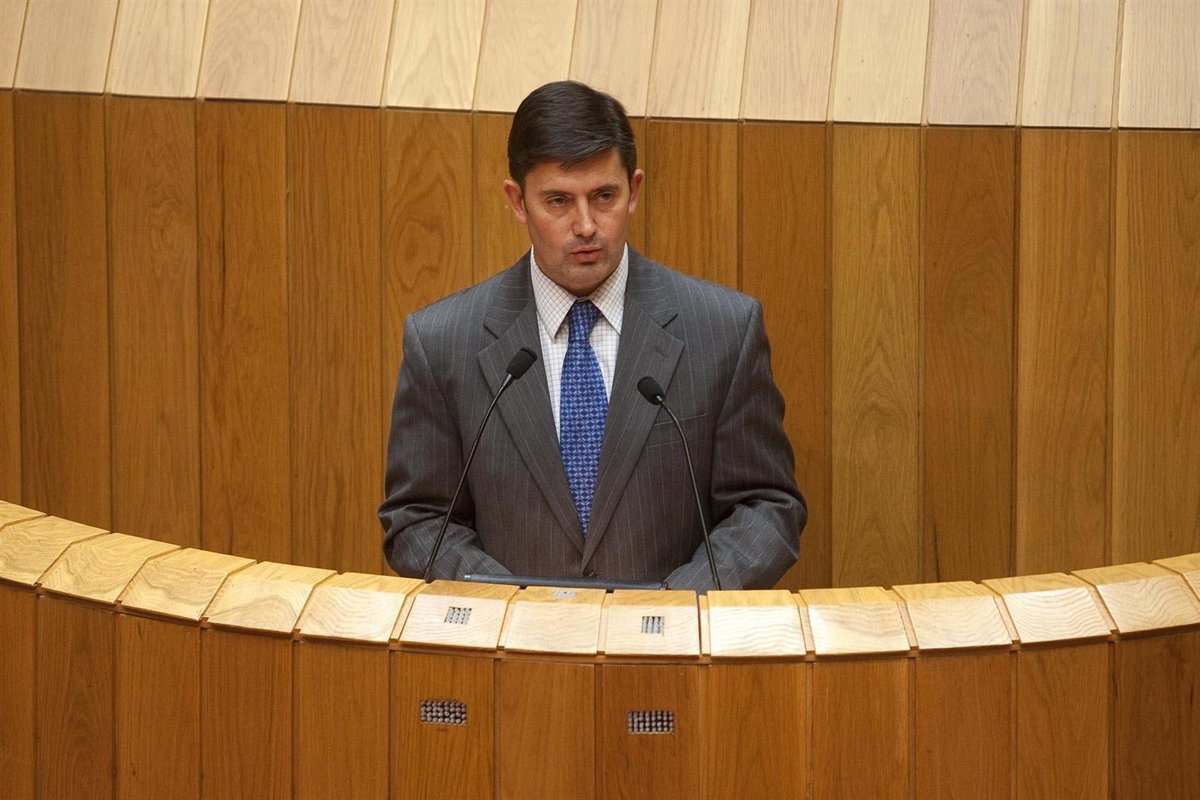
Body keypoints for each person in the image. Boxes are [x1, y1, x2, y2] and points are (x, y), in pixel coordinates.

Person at [379, 80, 804, 591]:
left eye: (604, 196)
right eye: (558, 201)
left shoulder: (722, 330)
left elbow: (765, 507)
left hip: (668, 635)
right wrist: (514, 605)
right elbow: (419, 520)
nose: (585, 226)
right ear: (518, 201)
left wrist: (675, 604)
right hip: (513, 638)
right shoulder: (444, 342)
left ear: (634, 191)